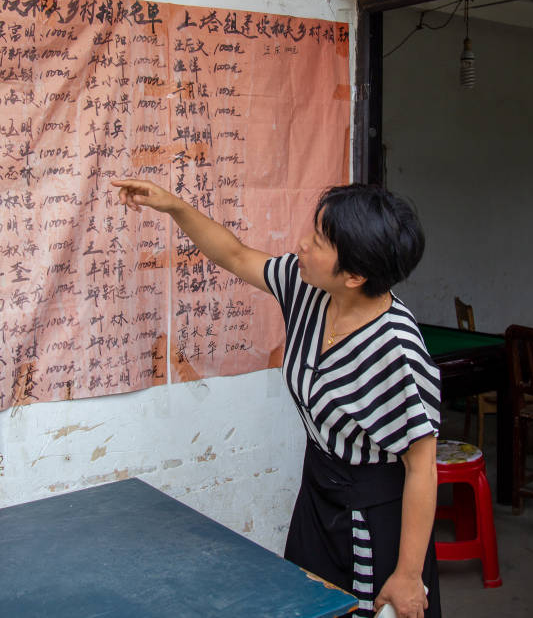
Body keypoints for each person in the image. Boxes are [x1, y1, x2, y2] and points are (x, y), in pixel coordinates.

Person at [112, 179, 441, 618]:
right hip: (318, 494)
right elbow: (235, 255)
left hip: (377, 519)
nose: (302, 244)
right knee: (304, 605)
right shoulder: (309, 290)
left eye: (319, 240)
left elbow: (422, 467)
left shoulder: (396, 349)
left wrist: (407, 574)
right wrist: (173, 206)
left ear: (355, 275)